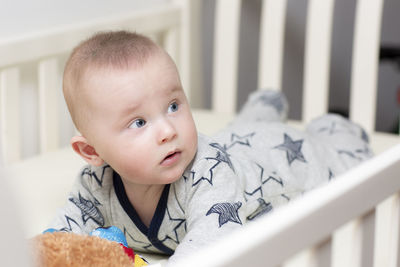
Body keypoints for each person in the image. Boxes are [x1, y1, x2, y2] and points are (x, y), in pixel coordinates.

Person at [47, 30, 372, 265]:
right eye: (139, 123)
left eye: (174, 105)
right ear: (92, 153)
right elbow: (62, 236)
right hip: (235, 143)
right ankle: (262, 109)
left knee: (335, 160)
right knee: (238, 133)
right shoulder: (95, 185)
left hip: (278, 162)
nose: (167, 131)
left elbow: (212, 243)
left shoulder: (209, 174)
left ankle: (332, 126)